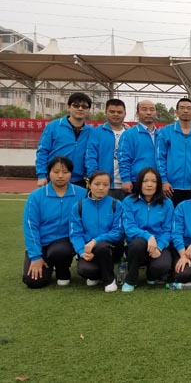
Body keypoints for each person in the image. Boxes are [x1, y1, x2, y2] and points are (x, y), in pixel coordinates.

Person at [22, 156, 87, 288]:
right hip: (42, 244)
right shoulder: (36, 196)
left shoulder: (82, 194)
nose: (60, 176)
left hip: (65, 243)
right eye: (56, 172)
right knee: (34, 282)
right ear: (49, 173)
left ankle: (62, 270)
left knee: (60, 251)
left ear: (71, 173)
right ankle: (47, 263)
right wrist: (35, 256)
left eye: (65, 172)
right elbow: (30, 227)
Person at [69, 171, 124, 293]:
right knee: (85, 270)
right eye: (97, 184)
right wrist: (81, 251)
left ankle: (109, 280)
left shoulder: (116, 204)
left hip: (111, 248)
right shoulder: (79, 206)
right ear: (89, 185)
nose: (101, 188)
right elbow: (75, 234)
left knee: (101, 247)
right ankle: (97, 275)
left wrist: (95, 241)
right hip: (89, 249)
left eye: (105, 184)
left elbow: (118, 232)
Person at [121, 167, 174, 292]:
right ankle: (131, 280)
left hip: (159, 245)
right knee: (138, 244)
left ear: (158, 184)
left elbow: (168, 230)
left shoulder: (167, 203)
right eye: (145, 181)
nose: (149, 185)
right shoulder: (128, 201)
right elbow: (129, 227)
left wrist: (159, 247)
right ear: (139, 183)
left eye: (153, 181)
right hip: (137, 244)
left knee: (162, 266)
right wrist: (148, 237)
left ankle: (151, 274)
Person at [156, 98, 191, 206]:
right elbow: (159, 158)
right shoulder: (166, 132)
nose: (185, 111)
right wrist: (163, 181)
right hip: (170, 187)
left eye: (189, 108)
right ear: (176, 112)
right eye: (182, 108)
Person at [36, 92, 93, 187]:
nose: (80, 109)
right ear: (69, 107)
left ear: (88, 110)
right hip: (55, 178)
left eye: (84, 106)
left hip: (79, 181)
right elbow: (42, 151)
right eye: (76, 105)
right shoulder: (53, 126)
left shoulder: (91, 131)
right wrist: (41, 175)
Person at [86, 98, 128, 200]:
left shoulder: (130, 133)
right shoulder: (96, 132)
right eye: (112, 111)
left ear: (125, 114)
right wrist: (95, 179)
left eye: (119, 112)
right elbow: (90, 157)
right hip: (103, 186)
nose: (116, 114)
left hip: (127, 185)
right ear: (106, 112)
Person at [118, 99, 159, 195]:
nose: (148, 112)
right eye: (144, 109)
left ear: (156, 113)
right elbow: (123, 158)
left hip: (157, 181)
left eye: (152, 109)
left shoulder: (161, 135)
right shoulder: (129, 134)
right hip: (137, 181)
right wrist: (126, 179)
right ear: (137, 113)